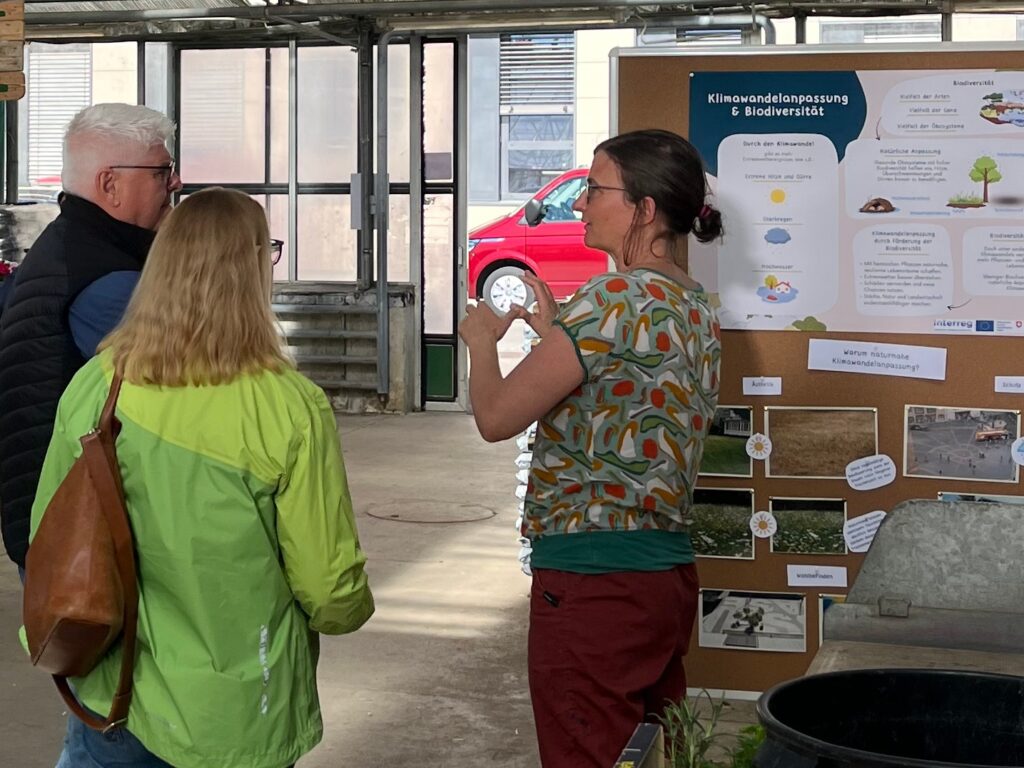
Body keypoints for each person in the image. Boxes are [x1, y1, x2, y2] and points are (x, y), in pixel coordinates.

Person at [30, 188, 374, 768]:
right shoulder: (289, 407)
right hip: (237, 714)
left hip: (114, 695)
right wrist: (349, 609)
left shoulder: (97, 385)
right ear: (250, 272)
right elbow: (329, 589)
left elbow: (50, 536)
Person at [459, 129, 724, 768]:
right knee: (648, 751)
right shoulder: (695, 304)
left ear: (645, 209)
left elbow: (496, 417)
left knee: (587, 754)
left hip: (591, 581)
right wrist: (557, 330)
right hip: (662, 579)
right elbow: (627, 392)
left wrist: (480, 343)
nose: (579, 205)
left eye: (594, 190)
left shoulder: (610, 299)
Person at [0, 103, 182, 572]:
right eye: (163, 172)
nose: (176, 183)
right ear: (109, 183)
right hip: (80, 531)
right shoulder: (107, 279)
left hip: (55, 512)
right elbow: (175, 398)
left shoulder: (71, 247)